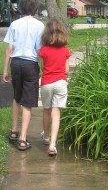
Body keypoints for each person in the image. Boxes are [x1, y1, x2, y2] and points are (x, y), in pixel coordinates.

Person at [3, 0, 44, 151]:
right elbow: (40, 51)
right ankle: (22, 139)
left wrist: (5, 70)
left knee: (17, 97)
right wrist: (44, 68)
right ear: (35, 9)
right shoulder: (40, 26)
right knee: (27, 101)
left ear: (21, 8)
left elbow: (9, 49)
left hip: (16, 64)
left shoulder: (14, 24)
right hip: (30, 64)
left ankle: (14, 131)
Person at [39, 19, 71, 156]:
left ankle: (46, 136)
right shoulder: (65, 50)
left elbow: (42, 67)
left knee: (46, 110)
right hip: (60, 83)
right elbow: (67, 70)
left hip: (46, 83)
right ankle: (52, 144)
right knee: (56, 112)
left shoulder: (43, 50)